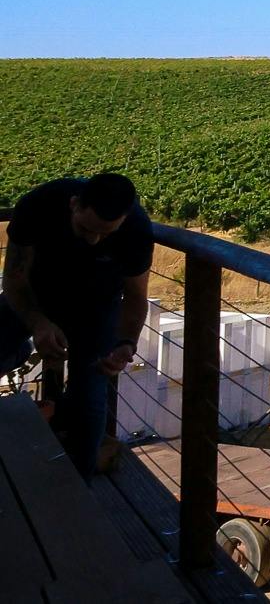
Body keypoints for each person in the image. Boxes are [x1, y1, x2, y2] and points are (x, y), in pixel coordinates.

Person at [2, 172, 154, 474]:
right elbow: (15, 281)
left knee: (91, 390)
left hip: (97, 307)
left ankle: (80, 485)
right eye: (85, 229)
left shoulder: (136, 228)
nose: (93, 239)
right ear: (73, 205)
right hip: (35, 293)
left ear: (123, 220)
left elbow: (136, 298)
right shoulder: (38, 205)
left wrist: (125, 343)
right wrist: (38, 323)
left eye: (105, 234)